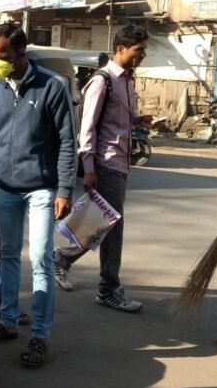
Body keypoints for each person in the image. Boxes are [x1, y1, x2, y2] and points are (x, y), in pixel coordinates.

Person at [0, 23, 76, 367]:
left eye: (2, 57)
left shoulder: (52, 86)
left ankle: (40, 334)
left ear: (21, 53)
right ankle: (8, 320)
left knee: (41, 258)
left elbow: (67, 141)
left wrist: (64, 189)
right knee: (8, 256)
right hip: (4, 187)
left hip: (42, 188)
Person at [52, 24, 156, 313]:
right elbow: (87, 128)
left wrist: (138, 120)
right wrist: (89, 169)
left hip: (120, 162)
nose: (142, 55)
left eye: (144, 50)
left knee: (103, 222)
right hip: (105, 163)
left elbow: (116, 120)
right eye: (139, 50)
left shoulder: (127, 80)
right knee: (111, 225)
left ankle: (62, 259)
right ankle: (108, 288)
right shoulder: (103, 80)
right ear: (121, 48)